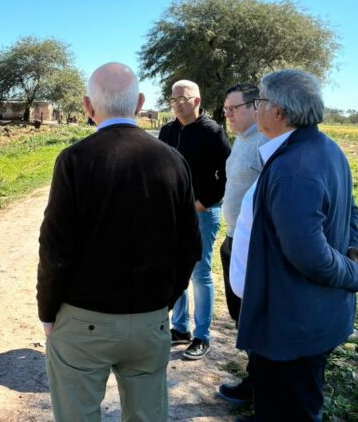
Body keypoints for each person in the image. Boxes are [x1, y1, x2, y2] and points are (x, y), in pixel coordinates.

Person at [37, 62, 201, 422]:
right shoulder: (173, 161)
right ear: (139, 103)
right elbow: (190, 245)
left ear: (87, 106)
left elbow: (55, 249)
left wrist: (47, 311)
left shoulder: (74, 159)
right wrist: (163, 301)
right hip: (149, 319)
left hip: (83, 320)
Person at [236, 69, 358, 421]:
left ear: (278, 111)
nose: (256, 107)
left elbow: (309, 254)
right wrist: (351, 244)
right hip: (304, 317)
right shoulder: (324, 149)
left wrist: (354, 274)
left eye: (260, 100)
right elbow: (351, 207)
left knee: (290, 410)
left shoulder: (294, 168)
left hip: (291, 326)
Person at [159, 79, 231, 360]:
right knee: (176, 270)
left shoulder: (213, 132)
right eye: (173, 99)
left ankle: (202, 335)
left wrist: (203, 202)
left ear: (197, 101)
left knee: (200, 274)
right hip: (173, 214)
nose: (177, 104)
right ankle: (180, 328)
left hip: (203, 213)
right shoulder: (167, 131)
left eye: (182, 98)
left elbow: (227, 175)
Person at [216, 83, 266, 406]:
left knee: (253, 317)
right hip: (233, 237)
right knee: (239, 315)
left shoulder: (265, 142)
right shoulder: (241, 139)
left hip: (252, 244)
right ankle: (256, 378)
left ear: (255, 106)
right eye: (226, 110)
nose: (229, 116)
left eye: (234, 109)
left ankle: (260, 386)